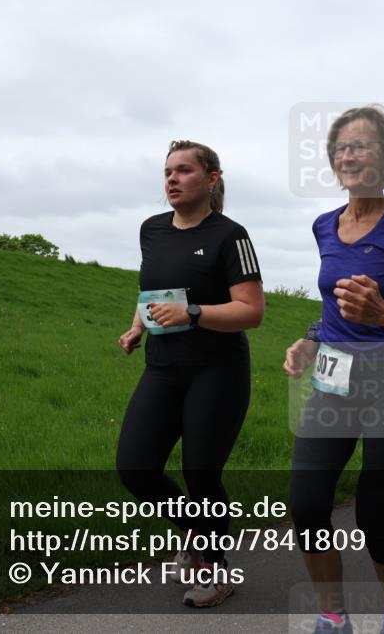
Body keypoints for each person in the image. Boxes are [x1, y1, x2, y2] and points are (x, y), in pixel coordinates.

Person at [283, 105, 384, 634]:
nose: (348, 155)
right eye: (341, 148)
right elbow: (333, 304)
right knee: (306, 506)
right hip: (333, 375)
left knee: (374, 516)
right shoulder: (324, 225)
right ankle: (333, 614)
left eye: (361, 146)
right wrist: (309, 339)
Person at [116, 140, 264, 608]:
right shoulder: (152, 230)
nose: (172, 180)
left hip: (217, 372)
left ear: (212, 179)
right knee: (136, 468)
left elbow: (251, 311)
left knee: (201, 473)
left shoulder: (231, 236)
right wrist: (139, 324)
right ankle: (198, 537)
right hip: (162, 369)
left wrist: (193, 313)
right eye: (167, 172)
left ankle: (214, 569)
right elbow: (155, 289)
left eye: (184, 171)